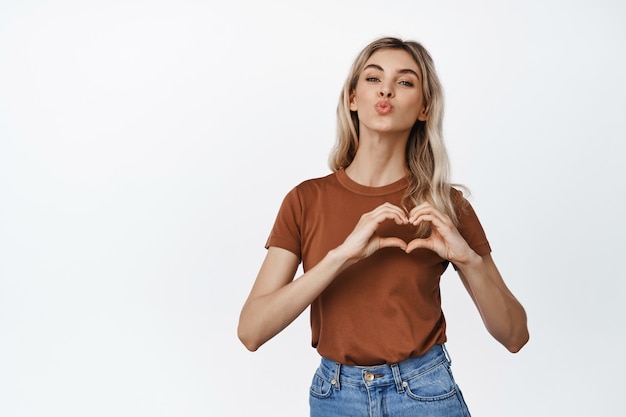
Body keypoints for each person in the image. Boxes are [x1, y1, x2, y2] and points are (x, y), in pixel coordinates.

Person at [238, 36, 529, 417]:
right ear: (353, 98)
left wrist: (469, 261)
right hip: (335, 397)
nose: (387, 89)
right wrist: (341, 256)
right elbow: (251, 331)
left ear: (424, 108)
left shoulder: (446, 206)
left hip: (424, 393)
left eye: (405, 82)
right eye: (373, 78)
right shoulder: (305, 200)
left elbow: (514, 335)